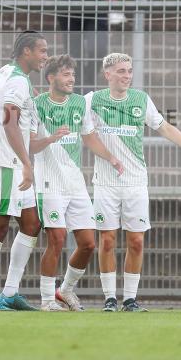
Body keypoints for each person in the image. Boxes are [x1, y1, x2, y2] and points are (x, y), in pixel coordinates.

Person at [87, 53, 181, 312]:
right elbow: (85, 134)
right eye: (121, 71)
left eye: (129, 71)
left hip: (135, 182)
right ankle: (110, 298)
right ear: (107, 74)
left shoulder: (141, 100)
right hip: (105, 182)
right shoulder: (92, 100)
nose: (127, 76)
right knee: (108, 240)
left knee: (136, 241)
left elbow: (165, 127)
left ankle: (130, 299)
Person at [30, 55, 124, 311]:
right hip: (49, 182)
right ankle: (47, 300)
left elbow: (89, 136)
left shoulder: (80, 103)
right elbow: (30, 144)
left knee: (88, 243)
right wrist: (50, 138)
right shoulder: (36, 105)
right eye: (65, 74)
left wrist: (112, 157)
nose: (72, 79)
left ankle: (65, 291)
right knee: (57, 239)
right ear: (51, 78)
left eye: (72, 74)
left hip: (75, 183)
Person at [0, 31, 48, 311]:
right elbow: (9, 123)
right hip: (7, 162)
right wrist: (27, 164)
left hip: (12, 160)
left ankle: (9, 293)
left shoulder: (8, 71)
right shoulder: (17, 79)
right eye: (42, 51)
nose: (45, 57)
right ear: (26, 52)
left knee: (31, 224)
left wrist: (24, 97)